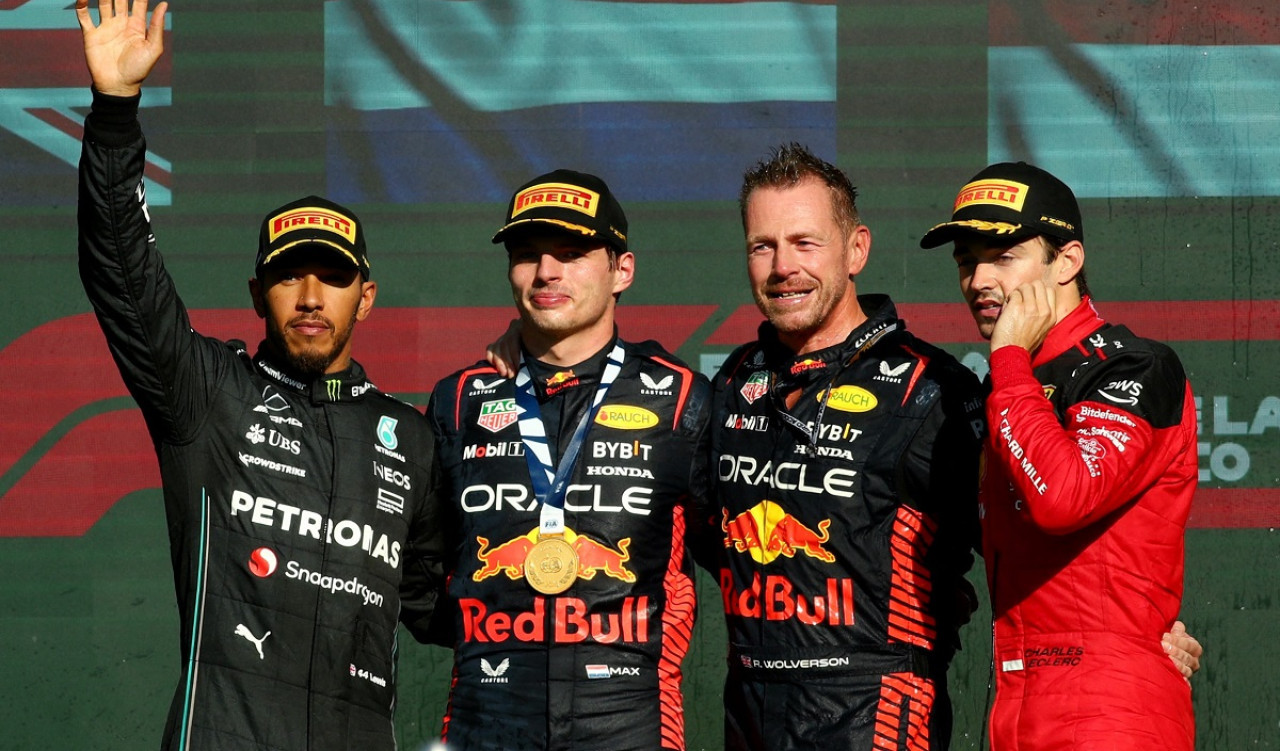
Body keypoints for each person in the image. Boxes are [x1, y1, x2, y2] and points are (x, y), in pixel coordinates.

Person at [76, 0, 444, 750]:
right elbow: (121, 271)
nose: (311, 295)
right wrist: (114, 113)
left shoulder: (410, 441)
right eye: (289, 275)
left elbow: (449, 606)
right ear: (257, 294)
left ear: (366, 296)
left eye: (333, 276)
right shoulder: (209, 394)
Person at [424, 170, 713, 750]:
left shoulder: (684, 398)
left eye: (573, 253)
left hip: (630, 727)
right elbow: (418, 565)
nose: (546, 272)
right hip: (486, 724)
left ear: (621, 270)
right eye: (527, 255)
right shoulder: (458, 400)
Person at [712, 144, 986, 750]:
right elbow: (705, 532)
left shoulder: (933, 388)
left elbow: (1020, 539)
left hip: (875, 713)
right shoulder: (733, 380)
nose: (783, 266)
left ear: (856, 248)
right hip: (751, 713)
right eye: (764, 246)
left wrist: (1135, 624)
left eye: (805, 243)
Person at [920, 161, 1198, 749]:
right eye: (966, 261)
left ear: (1067, 261)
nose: (978, 280)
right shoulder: (1010, 386)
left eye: (1003, 256)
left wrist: (1011, 361)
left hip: (1111, 713)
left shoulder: (1137, 366)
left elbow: (1064, 499)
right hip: (1019, 708)